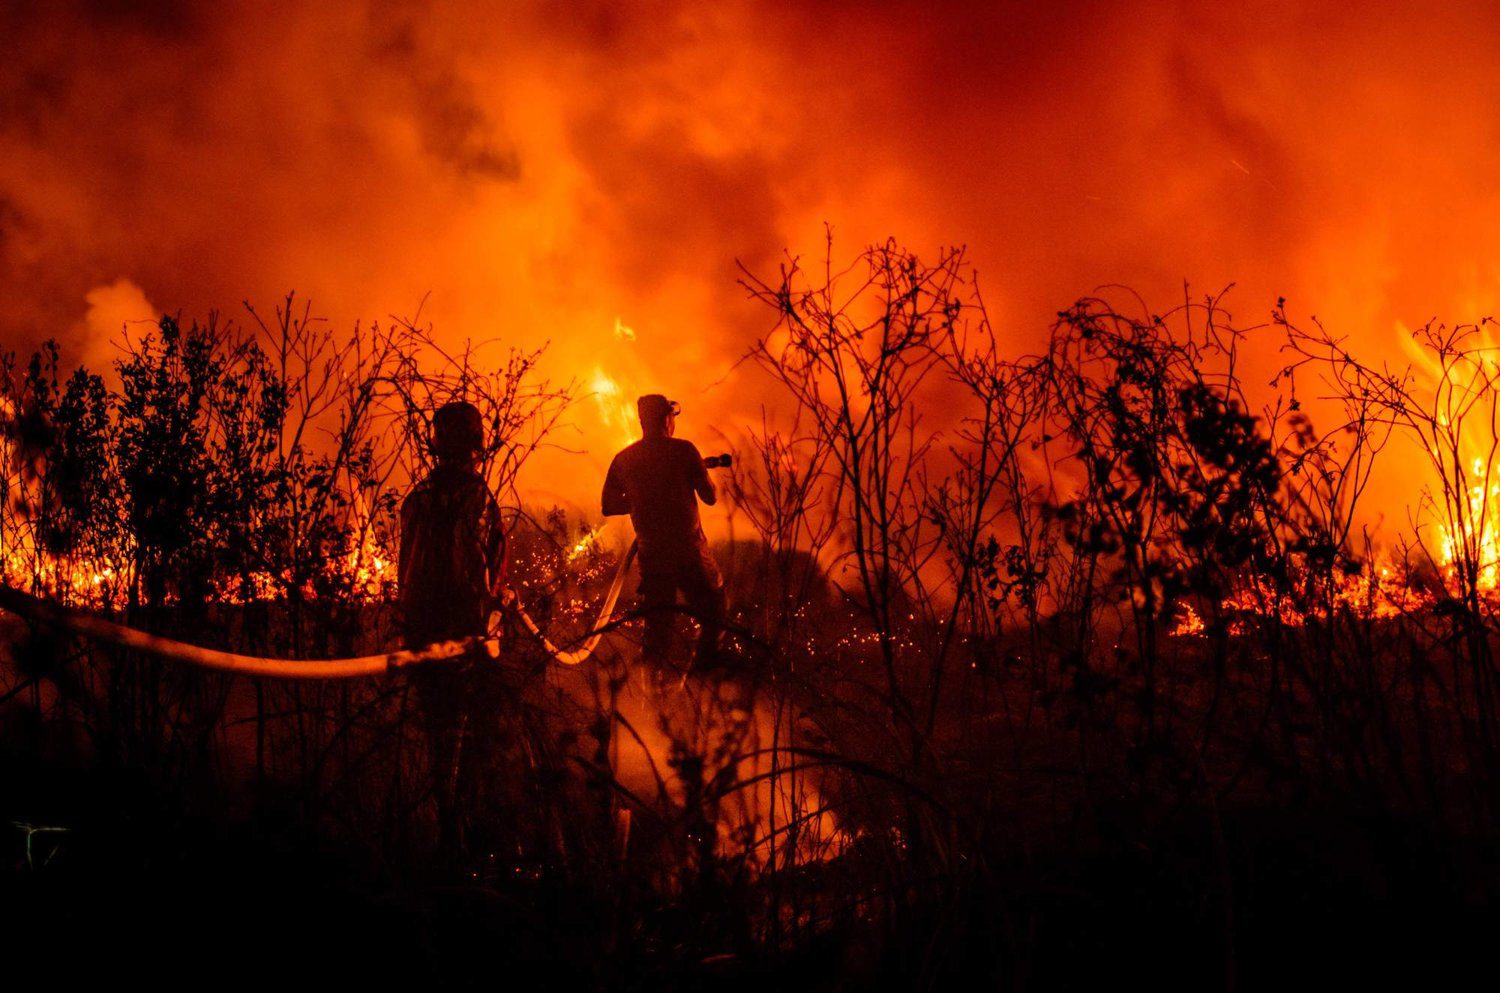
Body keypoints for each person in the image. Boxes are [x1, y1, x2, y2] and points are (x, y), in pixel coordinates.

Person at [398, 400, 506, 857]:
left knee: (439, 737)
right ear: (476, 447)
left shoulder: (416, 500)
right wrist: (495, 615)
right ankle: (462, 842)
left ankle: (447, 833)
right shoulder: (481, 499)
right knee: (474, 740)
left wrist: (407, 630)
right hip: (467, 636)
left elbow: (405, 574)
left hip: (423, 635)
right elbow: (491, 573)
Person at [601, 394, 726, 668]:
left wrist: (638, 500)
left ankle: (651, 699)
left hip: (653, 559)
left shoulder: (625, 459)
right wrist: (699, 475)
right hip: (691, 554)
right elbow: (711, 497)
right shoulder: (684, 451)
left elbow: (608, 505)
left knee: (658, 634)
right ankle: (702, 679)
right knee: (715, 611)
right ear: (667, 419)